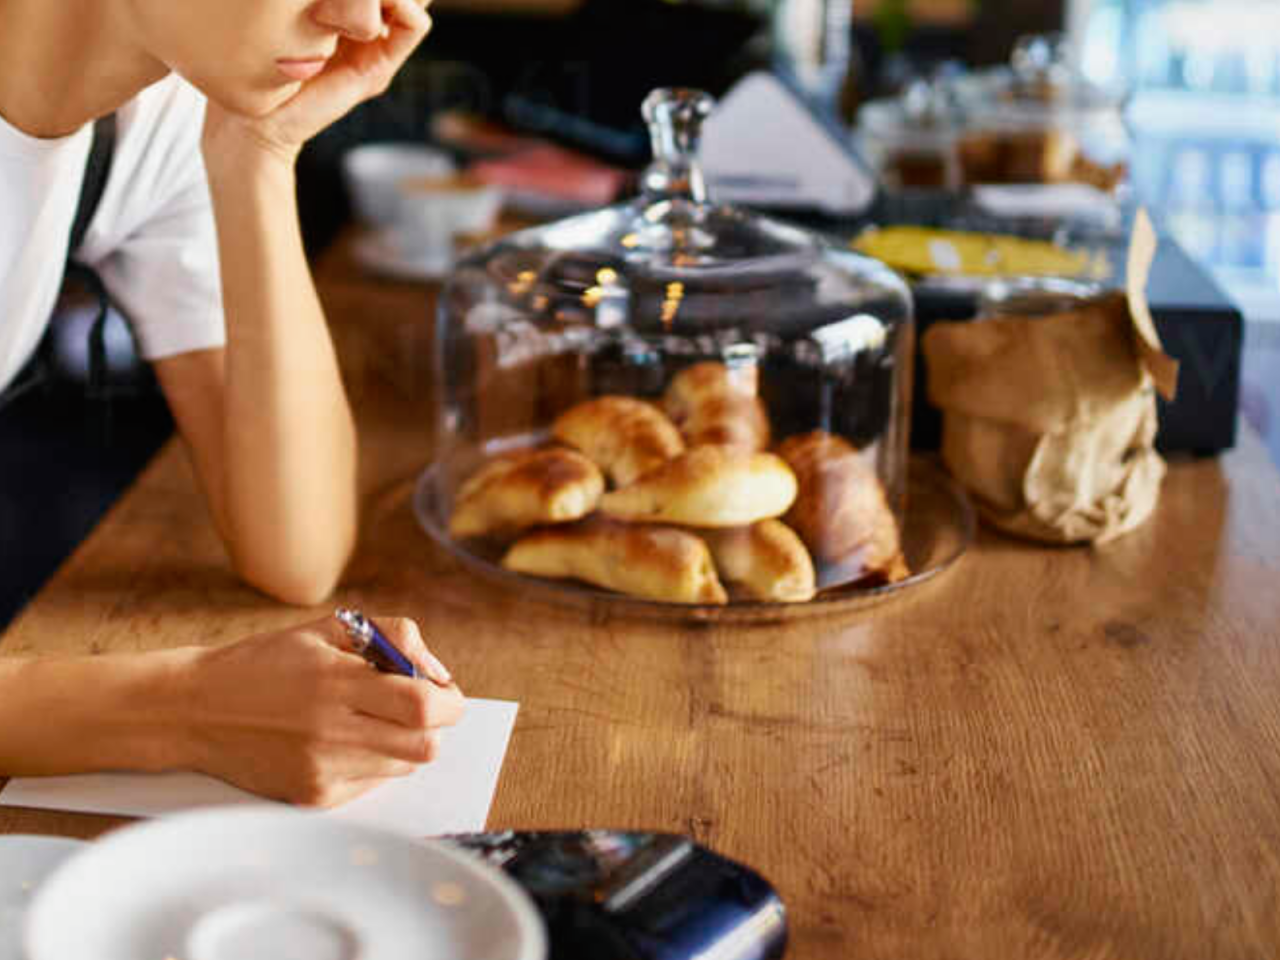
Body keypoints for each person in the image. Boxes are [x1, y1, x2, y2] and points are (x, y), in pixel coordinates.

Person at [0, 0, 464, 804]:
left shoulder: (156, 114)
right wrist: (182, 709)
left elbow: (297, 549)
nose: (358, 18)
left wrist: (260, 151)